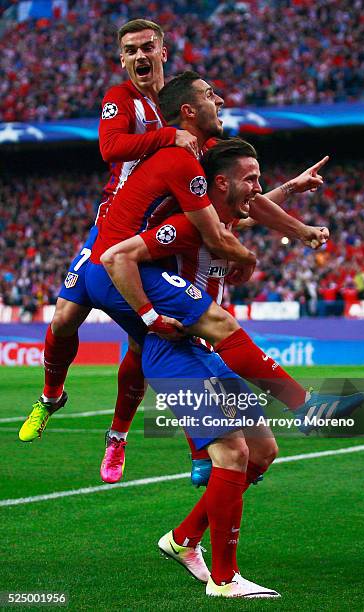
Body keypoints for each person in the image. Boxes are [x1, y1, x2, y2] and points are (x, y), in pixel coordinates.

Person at [87, 135, 364, 598]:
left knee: (261, 452)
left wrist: (290, 191)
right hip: (176, 351)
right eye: (250, 178)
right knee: (232, 453)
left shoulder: (221, 219)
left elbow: (252, 209)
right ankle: (223, 578)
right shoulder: (185, 226)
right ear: (218, 183)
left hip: (204, 350)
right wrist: (151, 317)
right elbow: (117, 256)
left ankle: (182, 540)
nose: (258, 186)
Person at [18, 18, 232, 445]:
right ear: (122, 60)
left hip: (156, 241)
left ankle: (118, 437)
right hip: (111, 227)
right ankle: (51, 396)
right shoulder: (123, 99)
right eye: (130, 50)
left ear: (163, 53)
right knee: (63, 318)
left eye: (147, 47)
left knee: (145, 340)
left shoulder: (184, 107)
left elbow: (227, 177)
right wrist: (167, 137)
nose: (140, 56)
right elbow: (109, 148)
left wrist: (289, 213)